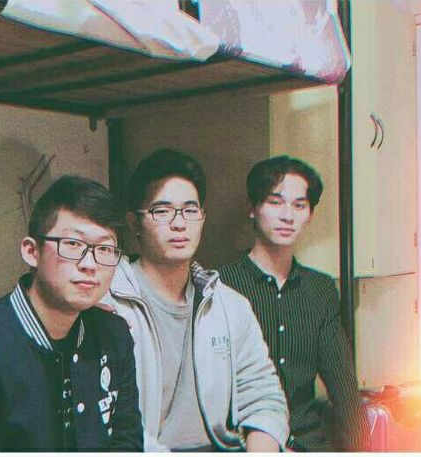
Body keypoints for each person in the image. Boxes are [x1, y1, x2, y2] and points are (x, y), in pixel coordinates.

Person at [101, 149, 289, 452]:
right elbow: (107, 421)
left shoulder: (230, 306)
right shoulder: (108, 303)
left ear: (202, 218)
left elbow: (263, 395)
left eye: (190, 210)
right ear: (134, 223)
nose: (179, 223)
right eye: (162, 211)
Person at [0, 175, 143, 451]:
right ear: (31, 252)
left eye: (104, 249)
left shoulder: (114, 333)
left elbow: (128, 441)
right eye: (73, 244)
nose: (90, 264)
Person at [219, 155, 370, 451]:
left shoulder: (320, 289)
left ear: (309, 215)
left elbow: (344, 391)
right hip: (244, 444)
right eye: (275, 202)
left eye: (299, 206)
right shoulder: (222, 285)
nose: (288, 216)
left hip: (308, 443)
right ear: (252, 208)